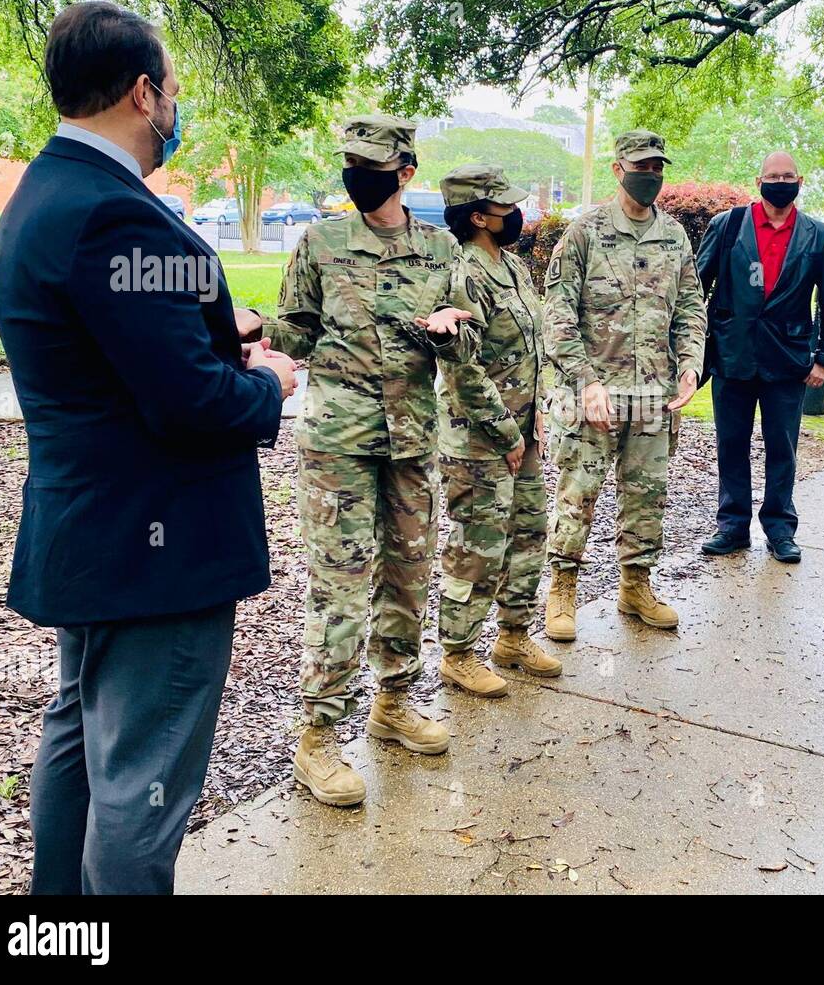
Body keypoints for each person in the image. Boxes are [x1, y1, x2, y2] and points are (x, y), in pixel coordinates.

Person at [0, 2, 294, 894]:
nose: (173, 108)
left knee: (81, 743)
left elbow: (121, 356)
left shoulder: (47, 193)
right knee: (142, 783)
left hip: (93, 533)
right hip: (153, 549)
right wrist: (269, 382)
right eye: (170, 92)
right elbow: (190, 404)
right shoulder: (110, 215)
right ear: (140, 93)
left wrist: (211, 333)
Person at [235, 115, 478, 809]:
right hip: (338, 439)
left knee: (406, 576)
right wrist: (257, 325)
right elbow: (299, 331)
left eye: (371, 165)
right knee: (338, 588)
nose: (356, 175)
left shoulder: (438, 248)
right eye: (350, 163)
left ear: (406, 171)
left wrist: (452, 331)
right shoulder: (322, 240)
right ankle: (316, 738)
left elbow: (466, 332)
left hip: (410, 439)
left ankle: (392, 702)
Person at [542, 130, 706, 639]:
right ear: (618, 169)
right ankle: (562, 590)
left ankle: (636, 585)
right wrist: (584, 381)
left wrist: (690, 363)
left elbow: (690, 306)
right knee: (578, 494)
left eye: (658, 167)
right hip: (595, 394)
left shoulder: (674, 235)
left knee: (646, 495)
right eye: (641, 166)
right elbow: (558, 314)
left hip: (654, 394)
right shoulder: (585, 233)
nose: (650, 175)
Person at [433, 164, 562, 696]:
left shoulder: (509, 266)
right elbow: (463, 368)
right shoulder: (465, 274)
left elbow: (533, 348)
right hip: (480, 438)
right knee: (477, 545)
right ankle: (459, 653)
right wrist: (506, 434)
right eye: (507, 208)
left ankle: (512, 634)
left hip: (523, 432)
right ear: (479, 216)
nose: (518, 215)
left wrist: (536, 423)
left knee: (529, 533)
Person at [696, 151, 824, 563]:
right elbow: (695, 289)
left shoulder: (819, 236)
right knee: (731, 443)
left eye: (787, 176)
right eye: (772, 176)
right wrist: (697, 349)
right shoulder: (727, 227)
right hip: (733, 355)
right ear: (758, 181)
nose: (780, 182)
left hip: (788, 359)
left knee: (783, 446)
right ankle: (732, 525)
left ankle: (780, 528)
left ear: (800, 180)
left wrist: (823, 357)